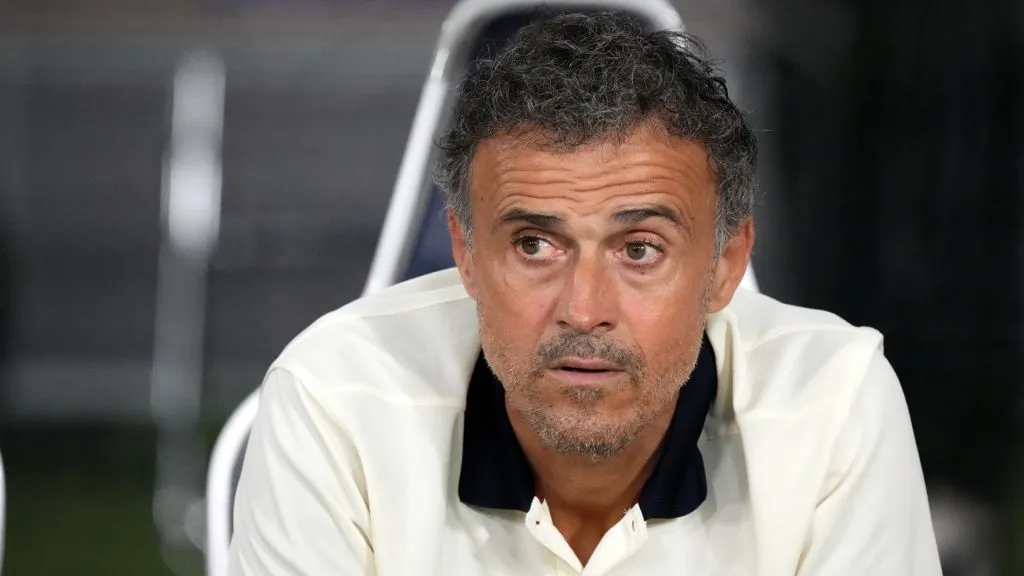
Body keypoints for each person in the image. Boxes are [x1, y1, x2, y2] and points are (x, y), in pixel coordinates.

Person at [228, 11, 941, 575]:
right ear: (465, 254)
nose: (583, 309)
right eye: (534, 245)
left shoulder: (832, 403)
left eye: (640, 250)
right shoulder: (336, 398)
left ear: (726, 263)